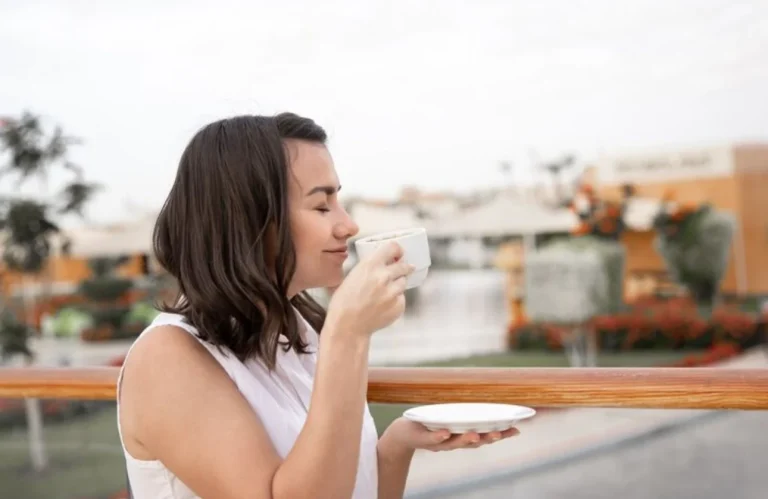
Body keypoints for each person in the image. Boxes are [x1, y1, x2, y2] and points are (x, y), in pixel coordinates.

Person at [116, 112, 519, 499]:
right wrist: (347, 333)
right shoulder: (166, 359)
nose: (349, 225)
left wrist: (397, 445)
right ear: (252, 221)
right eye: (322, 206)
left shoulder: (297, 331)